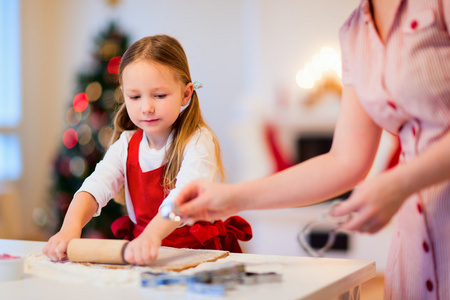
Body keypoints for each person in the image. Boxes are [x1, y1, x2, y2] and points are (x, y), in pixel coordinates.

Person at [175, 1, 450, 299]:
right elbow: (344, 161)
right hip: (415, 247)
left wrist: (400, 182)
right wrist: (232, 198)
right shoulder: (355, 33)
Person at [43, 35, 252, 266]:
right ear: (124, 95)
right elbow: (95, 187)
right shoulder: (126, 144)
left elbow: (184, 198)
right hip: (146, 259)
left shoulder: (199, 140)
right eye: (135, 96)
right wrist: (69, 227)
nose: (147, 107)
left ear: (186, 93)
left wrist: (151, 236)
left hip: (198, 258)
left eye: (159, 95)